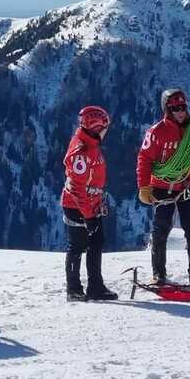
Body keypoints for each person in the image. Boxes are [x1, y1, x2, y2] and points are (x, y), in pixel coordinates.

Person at [136, 89, 190, 285]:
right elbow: (144, 159)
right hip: (163, 187)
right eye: (175, 108)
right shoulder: (156, 132)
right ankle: (158, 274)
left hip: (189, 185)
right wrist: (144, 187)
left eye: (183, 107)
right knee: (161, 229)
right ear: (167, 110)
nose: (180, 112)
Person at [61, 105, 118, 302]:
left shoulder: (90, 145)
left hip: (90, 205)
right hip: (78, 206)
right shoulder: (82, 150)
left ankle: (95, 286)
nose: (105, 132)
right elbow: (76, 188)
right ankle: (74, 289)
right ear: (96, 127)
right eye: (104, 128)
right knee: (77, 246)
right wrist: (89, 216)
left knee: (96, 242)